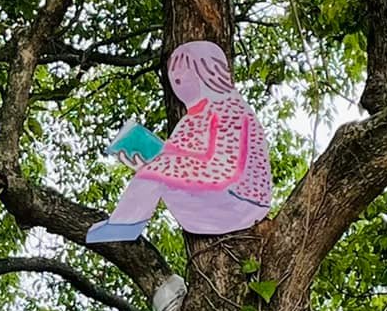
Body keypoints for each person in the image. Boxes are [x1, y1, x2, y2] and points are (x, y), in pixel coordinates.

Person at [85, 41, 272, 244]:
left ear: (207, 71)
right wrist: (151, 161)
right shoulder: (190, 120)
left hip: (241, 199)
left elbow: (223, 167)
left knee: (159, 169)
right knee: (157, 169)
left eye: (183, 70)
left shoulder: (230, 109)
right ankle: (123, 224)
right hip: (209, 201)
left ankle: (124, 226)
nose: (177, 78)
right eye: (173, 71)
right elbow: (178, 157)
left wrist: (163, 167)